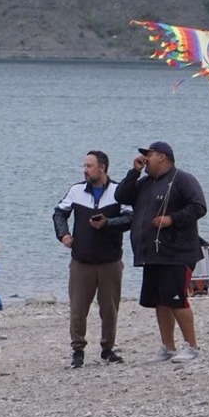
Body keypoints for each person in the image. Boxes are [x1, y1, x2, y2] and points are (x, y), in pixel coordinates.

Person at [115, 141, 209, 363]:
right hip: (152, 253)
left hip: (178, 251)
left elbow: (199, 206)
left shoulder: (183, 179)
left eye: (149, 155)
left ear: (162, 157)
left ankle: (192, 346)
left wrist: (172, 219)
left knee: (177, 298)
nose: (145, 159)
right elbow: (121, 196)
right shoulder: (145, 183)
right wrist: (134, 172)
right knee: (160, 300)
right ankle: (168, 347)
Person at [53, 150, 133, 368]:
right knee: (78, 308)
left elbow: (130, 219)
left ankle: (108, 349)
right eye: (84, 166)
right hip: (82, 261)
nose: (85, 170)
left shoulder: (119, 192)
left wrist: (107, 223)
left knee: (109, 308)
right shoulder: (76, 190)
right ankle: (77, 350)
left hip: (110, 261)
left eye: (89, 166)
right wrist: (64, 234)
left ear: (102, 168)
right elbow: (59, 213)